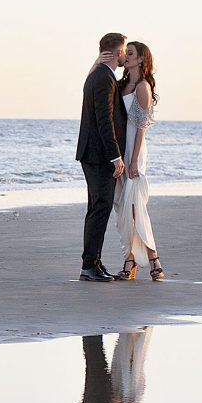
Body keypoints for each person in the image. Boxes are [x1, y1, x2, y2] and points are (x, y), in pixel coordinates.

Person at [75, 32, 129, 282]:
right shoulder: (103, 78)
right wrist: (115, 156)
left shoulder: (97, 74)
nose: (125, 56)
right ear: (118, 52)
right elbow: (104, 121)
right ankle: (89, 265)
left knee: (97, 207)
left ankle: (93, 262)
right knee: (100, 207)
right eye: (124, 51)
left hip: (93, 153)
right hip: (98, 155)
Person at [111, 41, 164, 281]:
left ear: (142, 59)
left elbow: (141, 127)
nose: (126, 56)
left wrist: (133, 162)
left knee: (135, 206)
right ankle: (131, 256)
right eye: (125, 52)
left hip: (135, 151)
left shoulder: (142, 86)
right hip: (120, 150)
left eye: (131, 53)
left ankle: (151, 257)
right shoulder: (120, 85)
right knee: (122, 204)